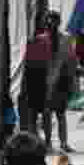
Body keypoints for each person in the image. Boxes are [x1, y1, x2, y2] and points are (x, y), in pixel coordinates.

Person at [45, 12, 79, 158]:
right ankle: (48, 143)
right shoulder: (42, 38)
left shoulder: (66, 38)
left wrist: (72, 81)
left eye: (54, 21)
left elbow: (71, 60)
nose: (52, 24)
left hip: (60, 81)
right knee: (48, 113)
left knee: (59, 113)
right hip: (46, 81)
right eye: (50, 21)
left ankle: (62, 143)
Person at [19, 8, 54, 146]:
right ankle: (46, 141)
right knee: (43, 113)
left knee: (35, 114)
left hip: (36, 77)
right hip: (40, 77)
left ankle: (39, 140)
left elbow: (29, 62)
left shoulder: (36, 41)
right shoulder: (45, 40)